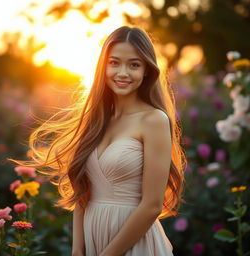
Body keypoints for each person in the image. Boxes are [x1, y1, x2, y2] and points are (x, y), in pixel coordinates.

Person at [12, 26, 186, 256]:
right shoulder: (96, 119)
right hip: (92, 239)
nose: (122, 72)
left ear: (146, 70)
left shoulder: (153, 120)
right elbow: (83, 192)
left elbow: (152, 205)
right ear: (103, 67)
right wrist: (77, 250)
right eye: (114, 62)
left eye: (134, 64)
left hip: (134, 243)